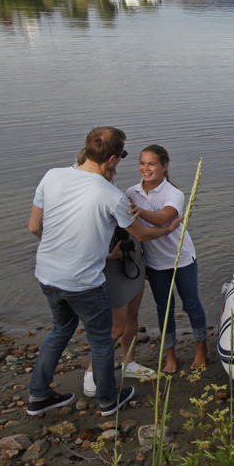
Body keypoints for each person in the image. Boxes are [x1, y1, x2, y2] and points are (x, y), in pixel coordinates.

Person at [27, 127, 182, 417]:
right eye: (123, 155)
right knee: (101, 340)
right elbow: (142, 234)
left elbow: (35, 227)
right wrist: (170, 228)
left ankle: (38, 395)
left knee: (60, 330)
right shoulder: (111, 195)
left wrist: (72, 252)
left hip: (47, 274)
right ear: (112, 159)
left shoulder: (52, 176)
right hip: (83, 281)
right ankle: (108, 400)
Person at [73, 149, 157, 399]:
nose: (117, 168)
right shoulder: (87, 193)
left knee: (132, 316)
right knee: (114, 328)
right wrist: (108, 255)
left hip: (132, 260)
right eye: (114, 163)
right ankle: (92, 373)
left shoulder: (112, 188)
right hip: (111, 267)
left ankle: (128, 363)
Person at [126, 145, 207, 375]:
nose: (146, 168)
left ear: (164, 166)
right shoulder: (131, 193)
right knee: (164, 308)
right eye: (142, 163)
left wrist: (138, 211)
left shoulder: (174, 193)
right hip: (154, 264)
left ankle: (201, 349)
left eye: (151, 164)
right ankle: (170, 355)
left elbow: (163, 219)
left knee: (191, 305)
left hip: (181, 259)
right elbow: (131, 231)